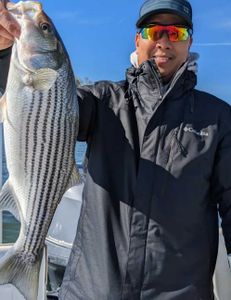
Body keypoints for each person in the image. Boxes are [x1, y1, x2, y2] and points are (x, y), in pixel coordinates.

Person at [0, 0, 231, 299]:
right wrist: (5, 51)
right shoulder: (103, 101)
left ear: (189, 42)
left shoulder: (218, 119)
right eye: (153, 31)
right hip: (90, 292)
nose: (163, 41)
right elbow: (44, 102)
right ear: (138, 39)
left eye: (175, 32)